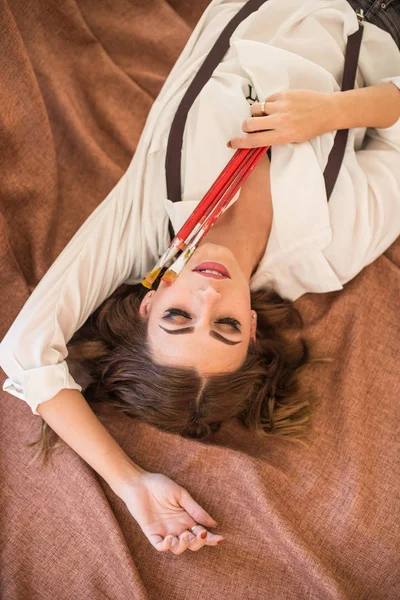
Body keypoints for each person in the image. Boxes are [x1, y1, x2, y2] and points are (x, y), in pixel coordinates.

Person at [0, 0, 399, 556]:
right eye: (227, 326)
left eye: (180, 317)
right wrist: (336, 112)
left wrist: (131, 482)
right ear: (255, 326)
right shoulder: (329, 247)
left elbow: (26, 353)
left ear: (148, 304)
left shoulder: (147, 217)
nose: (208, 296)